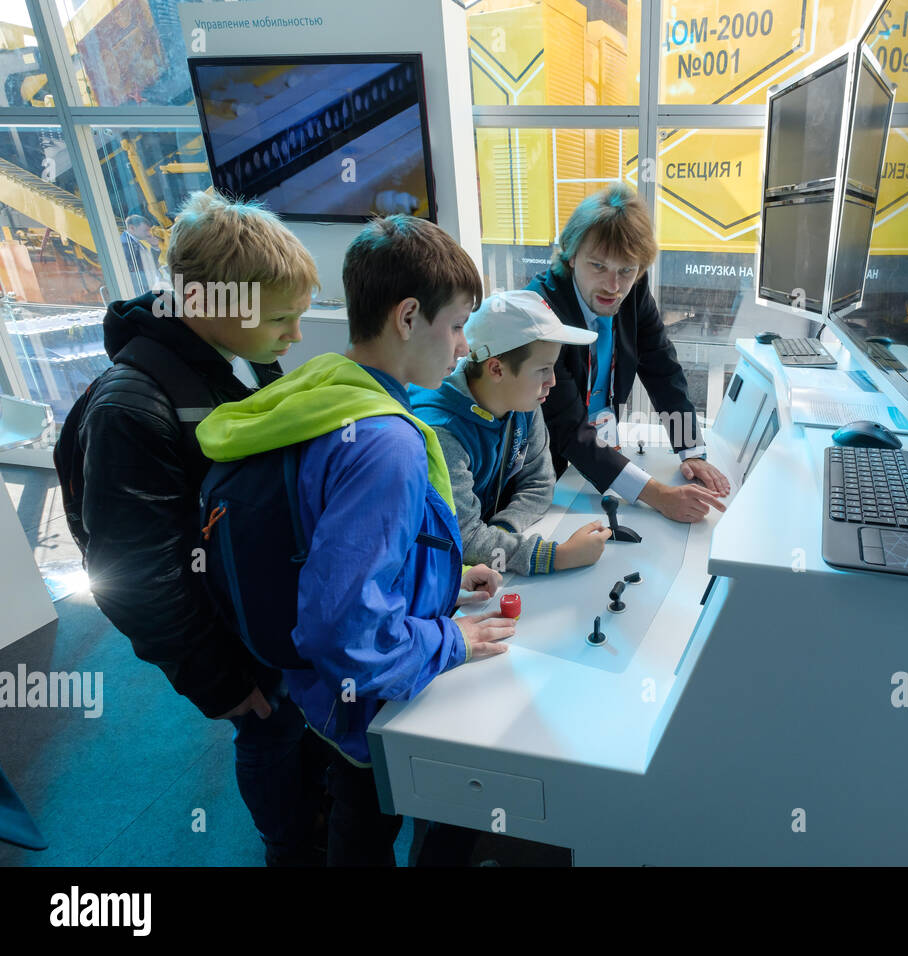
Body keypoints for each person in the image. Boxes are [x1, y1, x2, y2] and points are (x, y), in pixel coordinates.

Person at [196, 215, 516, 865]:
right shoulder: (386, 444)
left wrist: (444, 582)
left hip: (316, 694)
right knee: (366, 829)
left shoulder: (325, 387)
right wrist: (453, 637)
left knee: (354, 817)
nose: (462, 349)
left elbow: (336, 543)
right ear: (406, 317)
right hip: (363, 704)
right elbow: (345, 628)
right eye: (456, 326)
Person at [62, 190, 327, 865]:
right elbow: (131, 579)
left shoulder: (232, 357)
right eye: (282, 320)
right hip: (228, 646)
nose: (294, 336)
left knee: (297, 733)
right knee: (269, 735)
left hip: (257, 616)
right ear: (212, 304)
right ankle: (289, 850)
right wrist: (224, 684)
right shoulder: (132, 408)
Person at [525, 182, 732, 523]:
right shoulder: (542, 310)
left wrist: (690, 450)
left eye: (626, 270)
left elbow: (662, 368)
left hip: (600, 456)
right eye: (598, 266)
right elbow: (568, 429)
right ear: (571, 255)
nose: (613, 286)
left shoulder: (632, 292)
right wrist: (660, 496)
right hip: (551, 469)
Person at [409, 289, 612, 574]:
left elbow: (540, 483)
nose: (552, 381)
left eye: (552, 368)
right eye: (542, 369)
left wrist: (503, 528)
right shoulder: (442, 432)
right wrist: (557, 556)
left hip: (483, 569)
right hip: (440, 581)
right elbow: (464, 539)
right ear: (496, 369)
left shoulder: (524, 400)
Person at [119, 213, 163, 295]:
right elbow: (133, 273)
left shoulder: (134, 242)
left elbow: (149, 263)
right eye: (145, 230)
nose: (149, 234)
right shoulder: (125, 244)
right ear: (132, 228)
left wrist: (154, 246)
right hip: (141, 291)